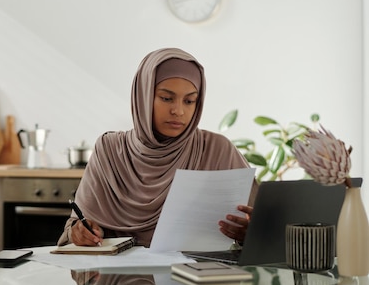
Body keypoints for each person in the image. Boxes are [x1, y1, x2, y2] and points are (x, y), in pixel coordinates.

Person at [58, 47, 257, 248]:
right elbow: (77, 229)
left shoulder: (217, 151)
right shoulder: (109, 151)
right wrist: (81, 232)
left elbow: (263, 227)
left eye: (189, 101)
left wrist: (250, 232)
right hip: (116, 278)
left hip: (195, 276)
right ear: (143, 96)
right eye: (166, 98)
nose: (178, 111)